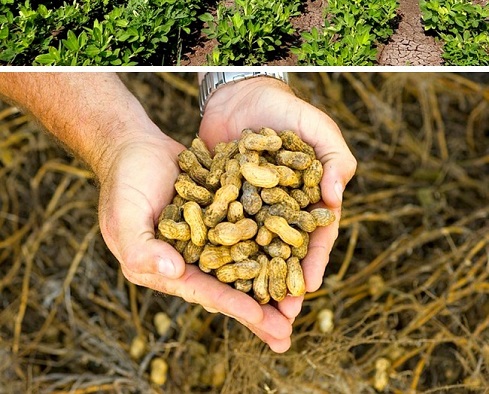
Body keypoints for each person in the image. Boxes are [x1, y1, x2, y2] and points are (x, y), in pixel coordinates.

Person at [0, 71, 356, 354]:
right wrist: (113, 141)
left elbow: (258, 203)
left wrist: (242, 80)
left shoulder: (253, 204)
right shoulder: (224, 202)